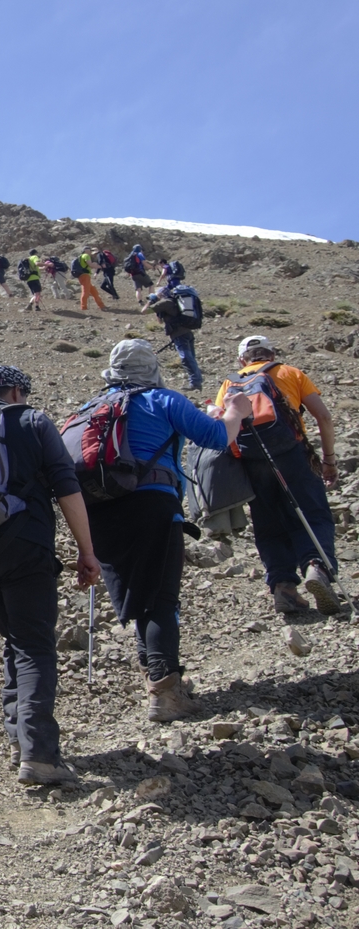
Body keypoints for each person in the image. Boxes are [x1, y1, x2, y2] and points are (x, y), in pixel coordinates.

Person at [74, 340, 252, 722]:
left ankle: (157, 679)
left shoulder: (91, 408)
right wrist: (235, 411)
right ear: (151, 368)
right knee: (160, 599)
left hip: (98, 512)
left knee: (140, 596)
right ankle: (165, 691)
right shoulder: (163, 399)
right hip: (152, 505)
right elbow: (219, 438)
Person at [0, 365, 101, 785]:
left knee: (17, 641)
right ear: (16, 391)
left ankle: (20, 739)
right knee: (34, 645)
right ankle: (40, 754)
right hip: (26, 546)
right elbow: (67, 487)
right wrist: (87, 552)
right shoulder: (32, 420)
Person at [214, 336, 343, 615]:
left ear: (242, 360)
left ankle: (284, 588)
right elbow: (324, 417)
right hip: (294, 455)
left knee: (269, 524)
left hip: (252, 463)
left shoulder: (229, 383)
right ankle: (316, 569)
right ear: (271, 354)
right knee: (313, 514)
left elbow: (222, 428)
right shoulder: (290, 372)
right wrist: (329, 461)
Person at [141, 283, 204, 390]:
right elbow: (160, 321)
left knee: (186, 357)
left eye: (158, 294)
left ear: (161, 294)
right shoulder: (172, 302)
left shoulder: (166, 302)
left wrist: (151, 301)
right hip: (187, 332)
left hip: (179, 334)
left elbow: (144, 311)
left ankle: (195, 382)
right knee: (191, 357)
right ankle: (197, 380)